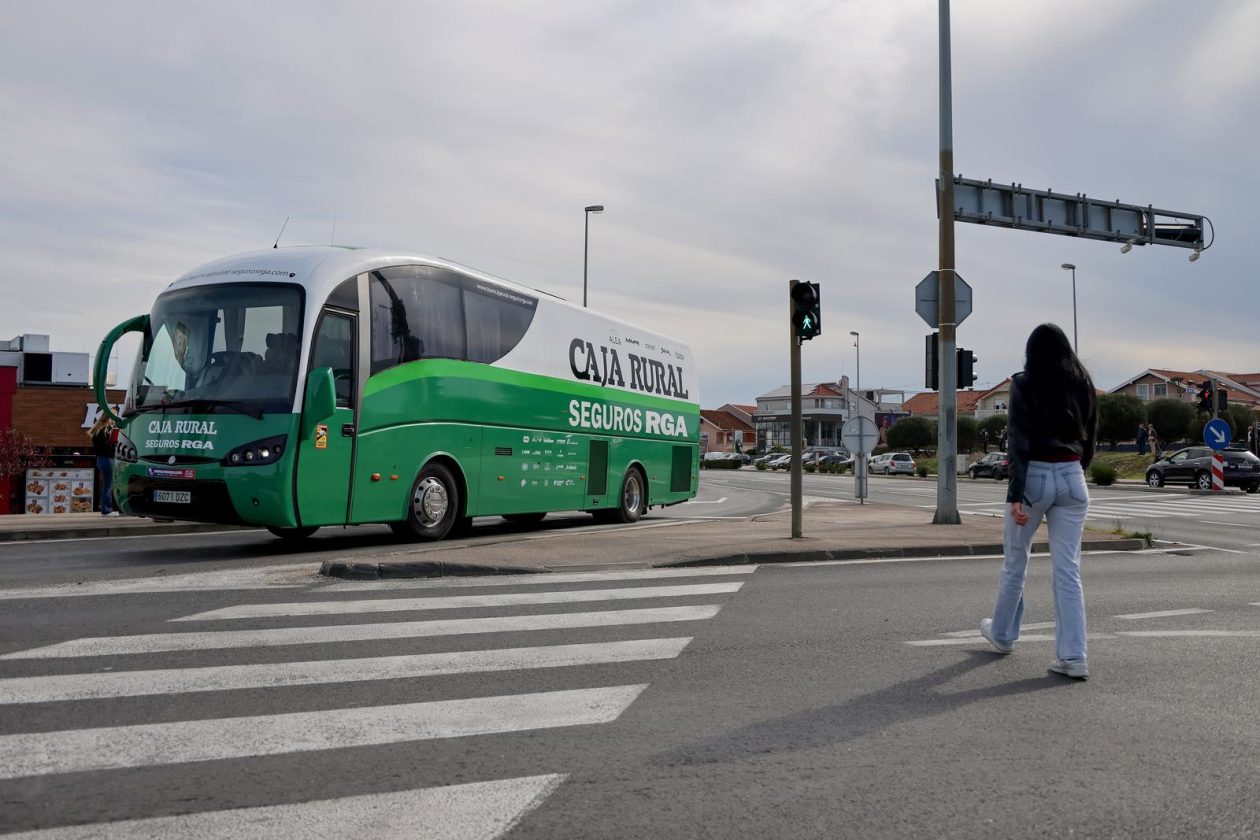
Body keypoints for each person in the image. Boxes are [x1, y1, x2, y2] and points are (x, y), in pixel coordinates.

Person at [979, 323, 1097, 680]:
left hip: (1035, 478)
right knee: (1068, 571)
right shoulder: (1083, 382)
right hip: (1074, 477)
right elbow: (1091, 437)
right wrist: (1076, 471)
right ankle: (1073, 657)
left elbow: (1018, 439)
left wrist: (1015, 493)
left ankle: (1002, 634)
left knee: (1016, 562)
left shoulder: (1024, 383)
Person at [89, 415, 119, 517]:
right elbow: (107, 447)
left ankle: (106, 509)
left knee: (107, 484)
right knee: (108, 484)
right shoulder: (105, 431)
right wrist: (114, 442)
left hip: (100, 459)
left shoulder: (97, 430)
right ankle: (106, 510)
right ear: (109, 418)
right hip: (107, 459)